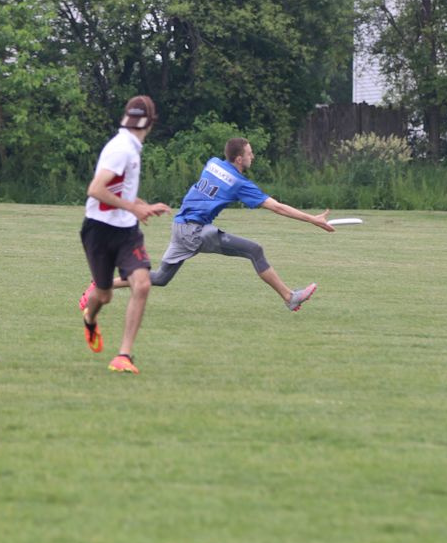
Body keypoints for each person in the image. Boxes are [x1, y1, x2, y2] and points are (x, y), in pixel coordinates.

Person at [81, 137, 333, 312]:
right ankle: (289, 297)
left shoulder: (212, 163)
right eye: (249, 153)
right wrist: (313, 219)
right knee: (254, 250)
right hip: (194, 231)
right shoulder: (239, 182)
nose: (253, 156)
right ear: (239, 159)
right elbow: (277, 207)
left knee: (160, 278)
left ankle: (100, 285)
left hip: (180, 226)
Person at [80, 95, 171, 374]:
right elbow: (96, 189)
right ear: (151, 123)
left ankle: (123, 356)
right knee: (104, 295)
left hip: (127, 232)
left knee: (141, 285)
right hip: (98, 230)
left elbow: (120, 190)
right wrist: (134, 208)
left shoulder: (131, 147)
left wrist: (142, 206)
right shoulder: (121, 148)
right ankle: (89, 319)